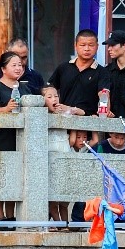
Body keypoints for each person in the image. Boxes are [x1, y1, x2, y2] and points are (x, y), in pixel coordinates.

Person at [0, 50, 24, 222]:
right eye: (14, 65)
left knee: (14, 180)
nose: (18, 68)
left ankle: (11, 216)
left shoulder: (24, 87)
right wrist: (5, 109)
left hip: (19, 139)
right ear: (3, 68)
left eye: (20, 65)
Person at [48, 29, 103, 152]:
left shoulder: (102, 72)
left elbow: (104, 96)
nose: (87, 49)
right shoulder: (64, 68)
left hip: (86, 130)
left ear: (97, 47)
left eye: (91, 45)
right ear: (75, 46)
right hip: (62, 127)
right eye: (83, 45)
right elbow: (49, 91)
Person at [42, 84, 76, 225]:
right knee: (51, 193)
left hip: (64, 150)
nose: (54, 98)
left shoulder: (63, 113)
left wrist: (69, 109)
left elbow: (80, 113)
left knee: (64, 192)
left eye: (56, 95)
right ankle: (57, 223)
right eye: (49, 97)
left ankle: (65, 222)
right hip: (49, 152)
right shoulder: (41, 115)